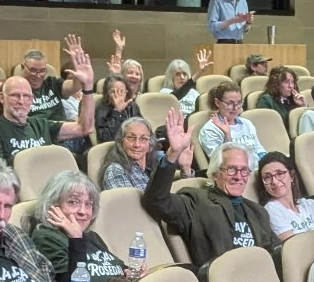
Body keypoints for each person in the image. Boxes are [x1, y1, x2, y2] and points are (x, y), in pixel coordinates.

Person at [145, 110, 277, 262]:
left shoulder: (258, 212)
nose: (238, 176)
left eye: (244, 170)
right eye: (231, 169)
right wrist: (172, 155)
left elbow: (276, 253)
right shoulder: (195, 201)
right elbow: (156, 201)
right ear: (214, 174)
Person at [30, 170, 143, 282]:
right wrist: (76, 240)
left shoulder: (91, 236)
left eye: (88, 204)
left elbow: (116, 267)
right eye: (73, 202)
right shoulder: (47, 237)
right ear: (53, 206)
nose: (83, 211)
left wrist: (130, 272)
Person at [0, 56, 95, 164]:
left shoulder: (41, 125)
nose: (21, 101)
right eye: (15, 96)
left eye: (26, 96)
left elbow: (85, 128)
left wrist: (88, 87)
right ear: (2, 98)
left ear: (32, 100)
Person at [258, 146, 314, 240]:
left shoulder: (305, 204)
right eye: (267, 177)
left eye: (279, 174)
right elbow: (294, 245)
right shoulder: (271, 210)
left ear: (291, 176)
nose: (274, 181)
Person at [195, 83, 266, 167]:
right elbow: (221, 163)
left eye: (238, 103)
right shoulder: (210, 129)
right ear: (217, 102)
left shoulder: (247, 123)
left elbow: (260, 151)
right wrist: (227, 136)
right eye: (230, 103)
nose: (235, 108)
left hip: (259, 170)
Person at [99, 117, 168, 192]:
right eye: (131, 138)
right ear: (121, 142)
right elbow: (125, 199)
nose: (137, 144)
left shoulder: (152, 165)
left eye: (143, 138)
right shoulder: (116, 170)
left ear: (150, 144)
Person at [165, 50, 214, 116]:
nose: (182, 77)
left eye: (184, 74)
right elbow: (175, 97)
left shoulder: (194, 93)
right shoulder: (165, 92)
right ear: (171, 77)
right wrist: (198, 73)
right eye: (178, 74)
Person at [95, 75, 138, 145]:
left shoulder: (132, 106)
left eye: (122, 91)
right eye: (113, 92)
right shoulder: (101, 110)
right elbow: (106, 138)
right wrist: (117, 111)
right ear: (107, 93)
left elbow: (143, 129)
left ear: (126, 92)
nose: (118, 95)